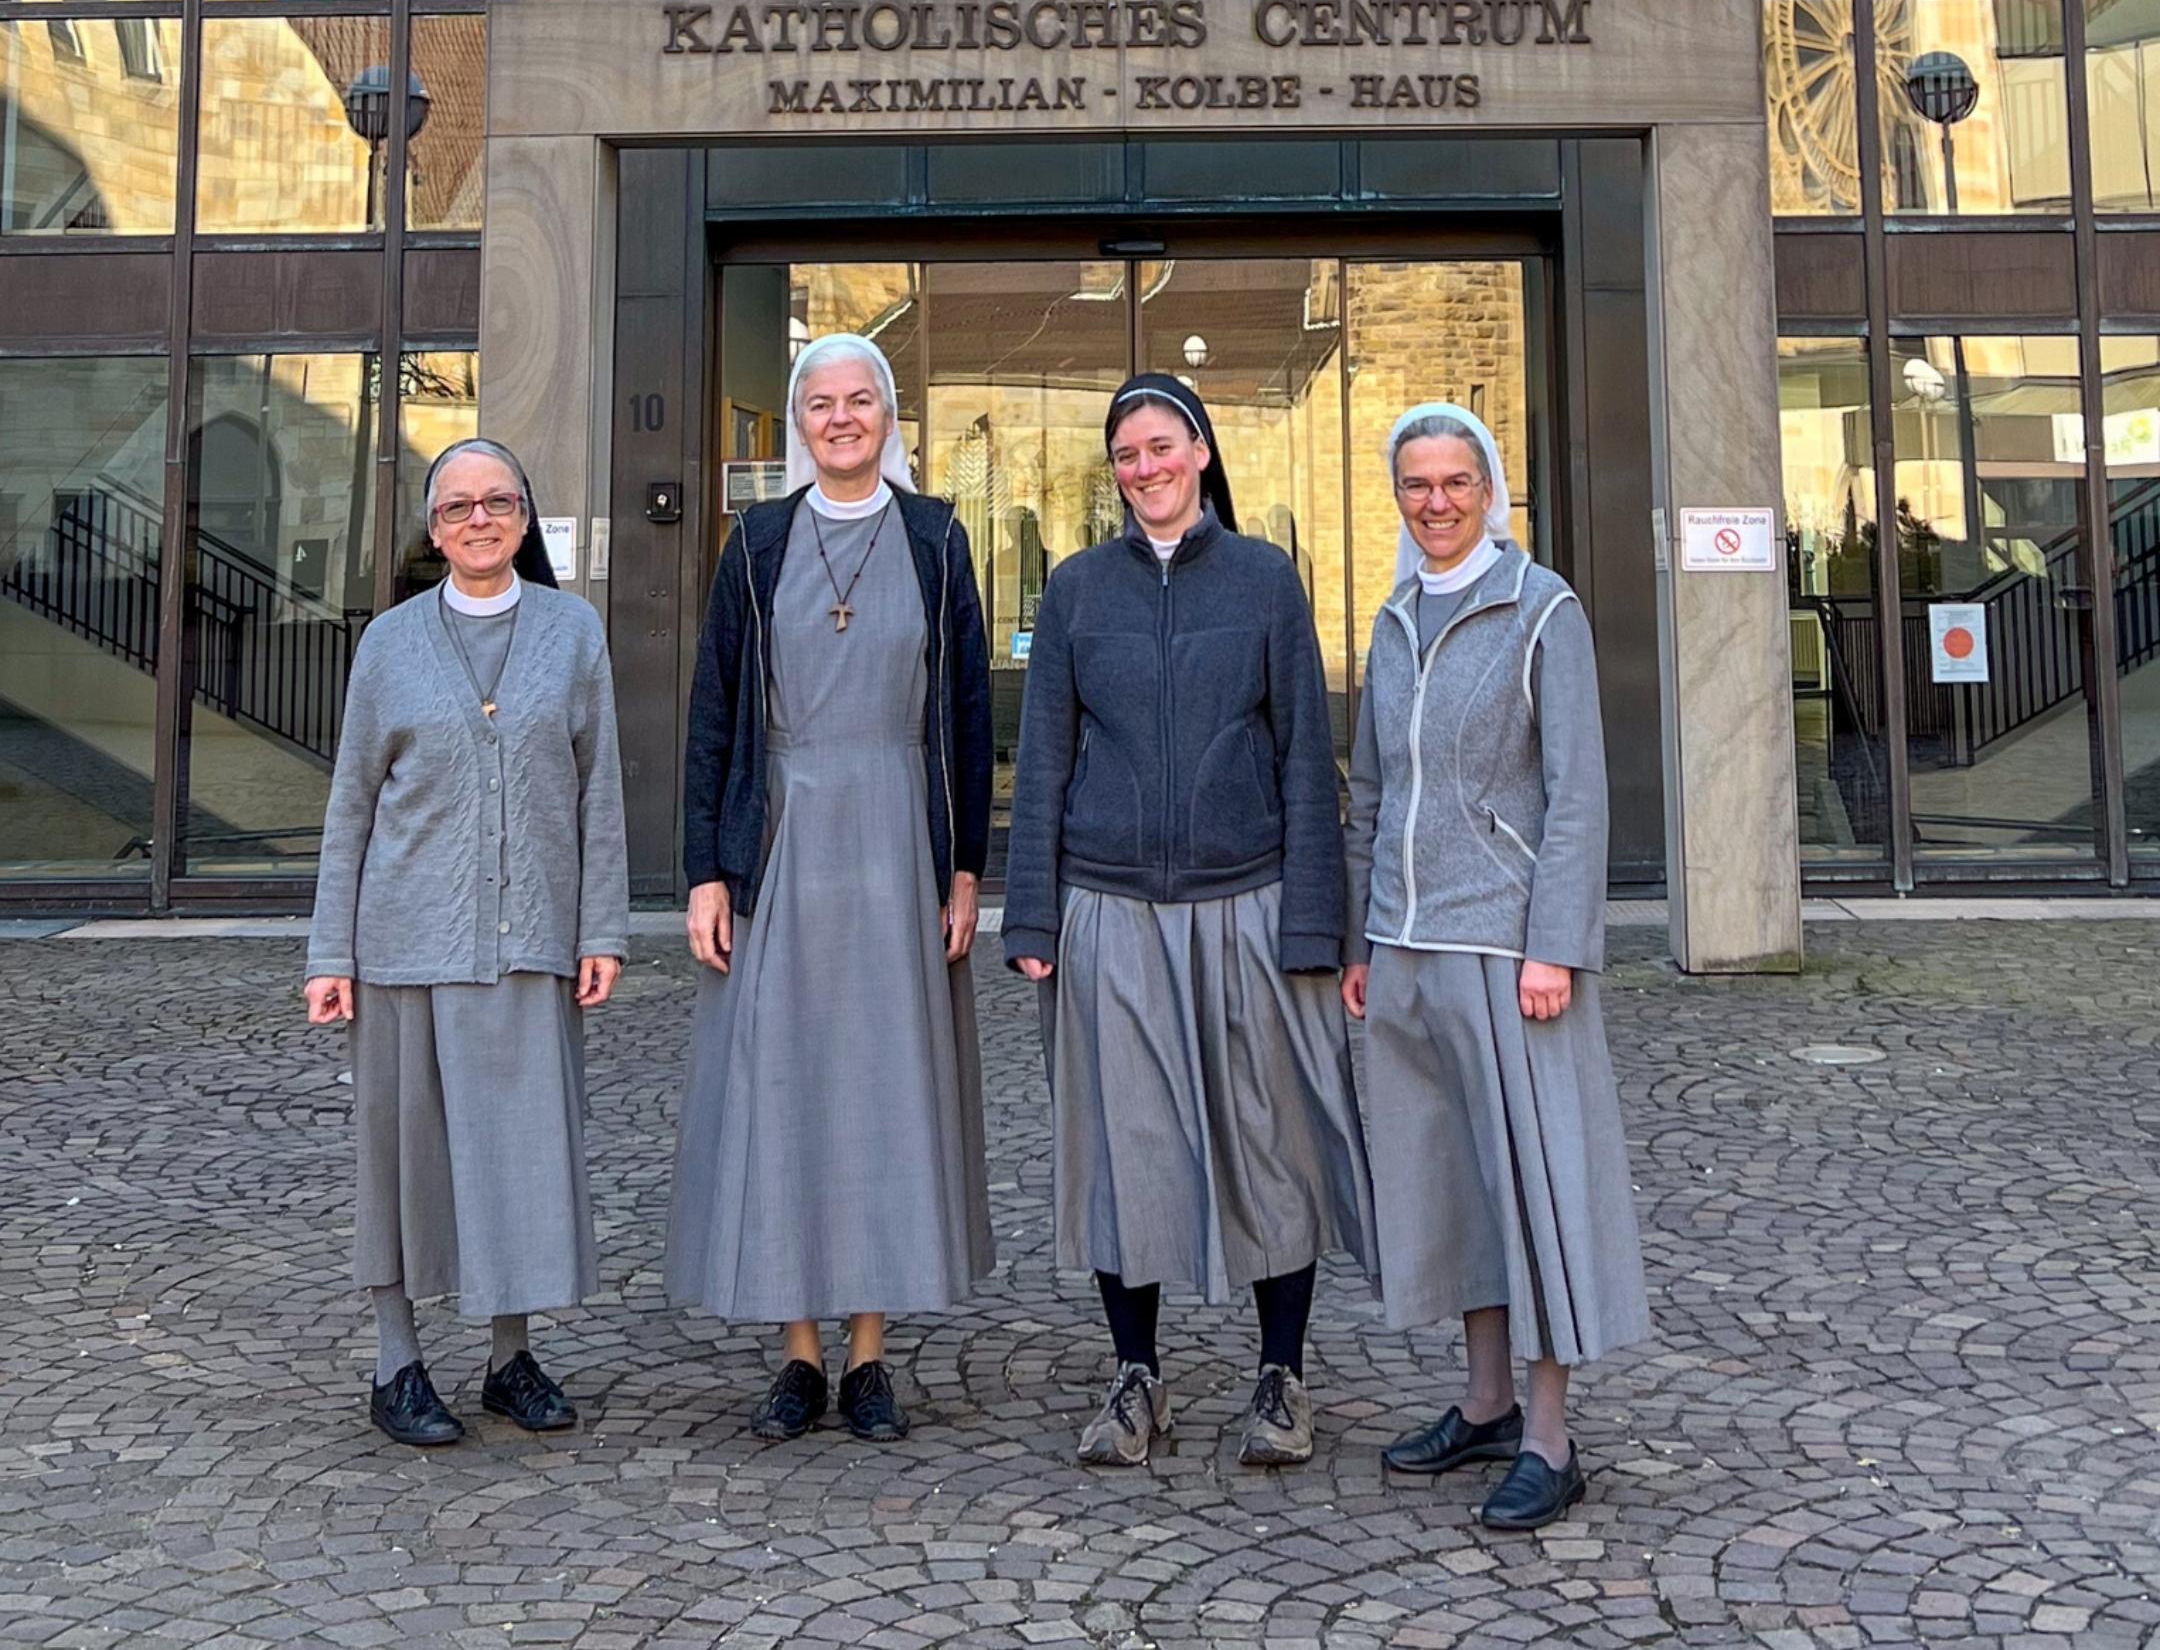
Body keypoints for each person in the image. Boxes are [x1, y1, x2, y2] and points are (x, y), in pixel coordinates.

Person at [1004, 373, 1376, 1470]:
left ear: (1203, 452)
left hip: (1247, 904)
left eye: (1162, 446)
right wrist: (1034, 911)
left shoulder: (1266, 582)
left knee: (1272, 1143)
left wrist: (1319, 922)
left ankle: (1281, 1375)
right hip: (1108, 907)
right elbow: (1045, 763)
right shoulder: (1076, 590)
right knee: (1127, 1150)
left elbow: (1311, 753)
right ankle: (1136, 1377)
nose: (1145, 468)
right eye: (1126, 455)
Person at [666, 332, 994, 1444]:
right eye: (822, 404)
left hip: (898, 836)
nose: (842, 419)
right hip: (785, 836)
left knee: (883, 1091)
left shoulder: (937, 536)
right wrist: (705, 868)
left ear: (889, 417)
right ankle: (798, 1353)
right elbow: (714, 713)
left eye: (862, 401)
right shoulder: (753, 544)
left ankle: (869, 1354)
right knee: (787, 1084)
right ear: (798, 423)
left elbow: (963, 714)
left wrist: (965, 869)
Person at [1342, 404, 1649, 1531]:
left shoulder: (1542, 610)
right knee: (1455, 1186)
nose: (1435, 502)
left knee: (1536, 1192)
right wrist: (1366, 941)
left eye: (1455, 482)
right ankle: (1479, 1403)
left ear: (1490, 489)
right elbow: (1371, 792)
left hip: (1509, 950)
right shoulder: (1390, 618)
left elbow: (1578, 795)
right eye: (1416, 483)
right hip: (1412, 949)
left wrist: (1554, 945)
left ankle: (1550, 1436)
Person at [303, 439, 628, 1446]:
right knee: (403, 1164)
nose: (478, 519)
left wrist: (601, 927)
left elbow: (599, 792)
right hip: (401, 945)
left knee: (519, 1159)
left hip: (529, 941)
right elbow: (351, 803)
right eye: (456, 508)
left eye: (497, 502)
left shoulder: (573, 634)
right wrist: (329, 954)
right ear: (434, 530)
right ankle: (396, 1362)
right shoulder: (389, 645)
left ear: (524, 518)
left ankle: (507, 1358)